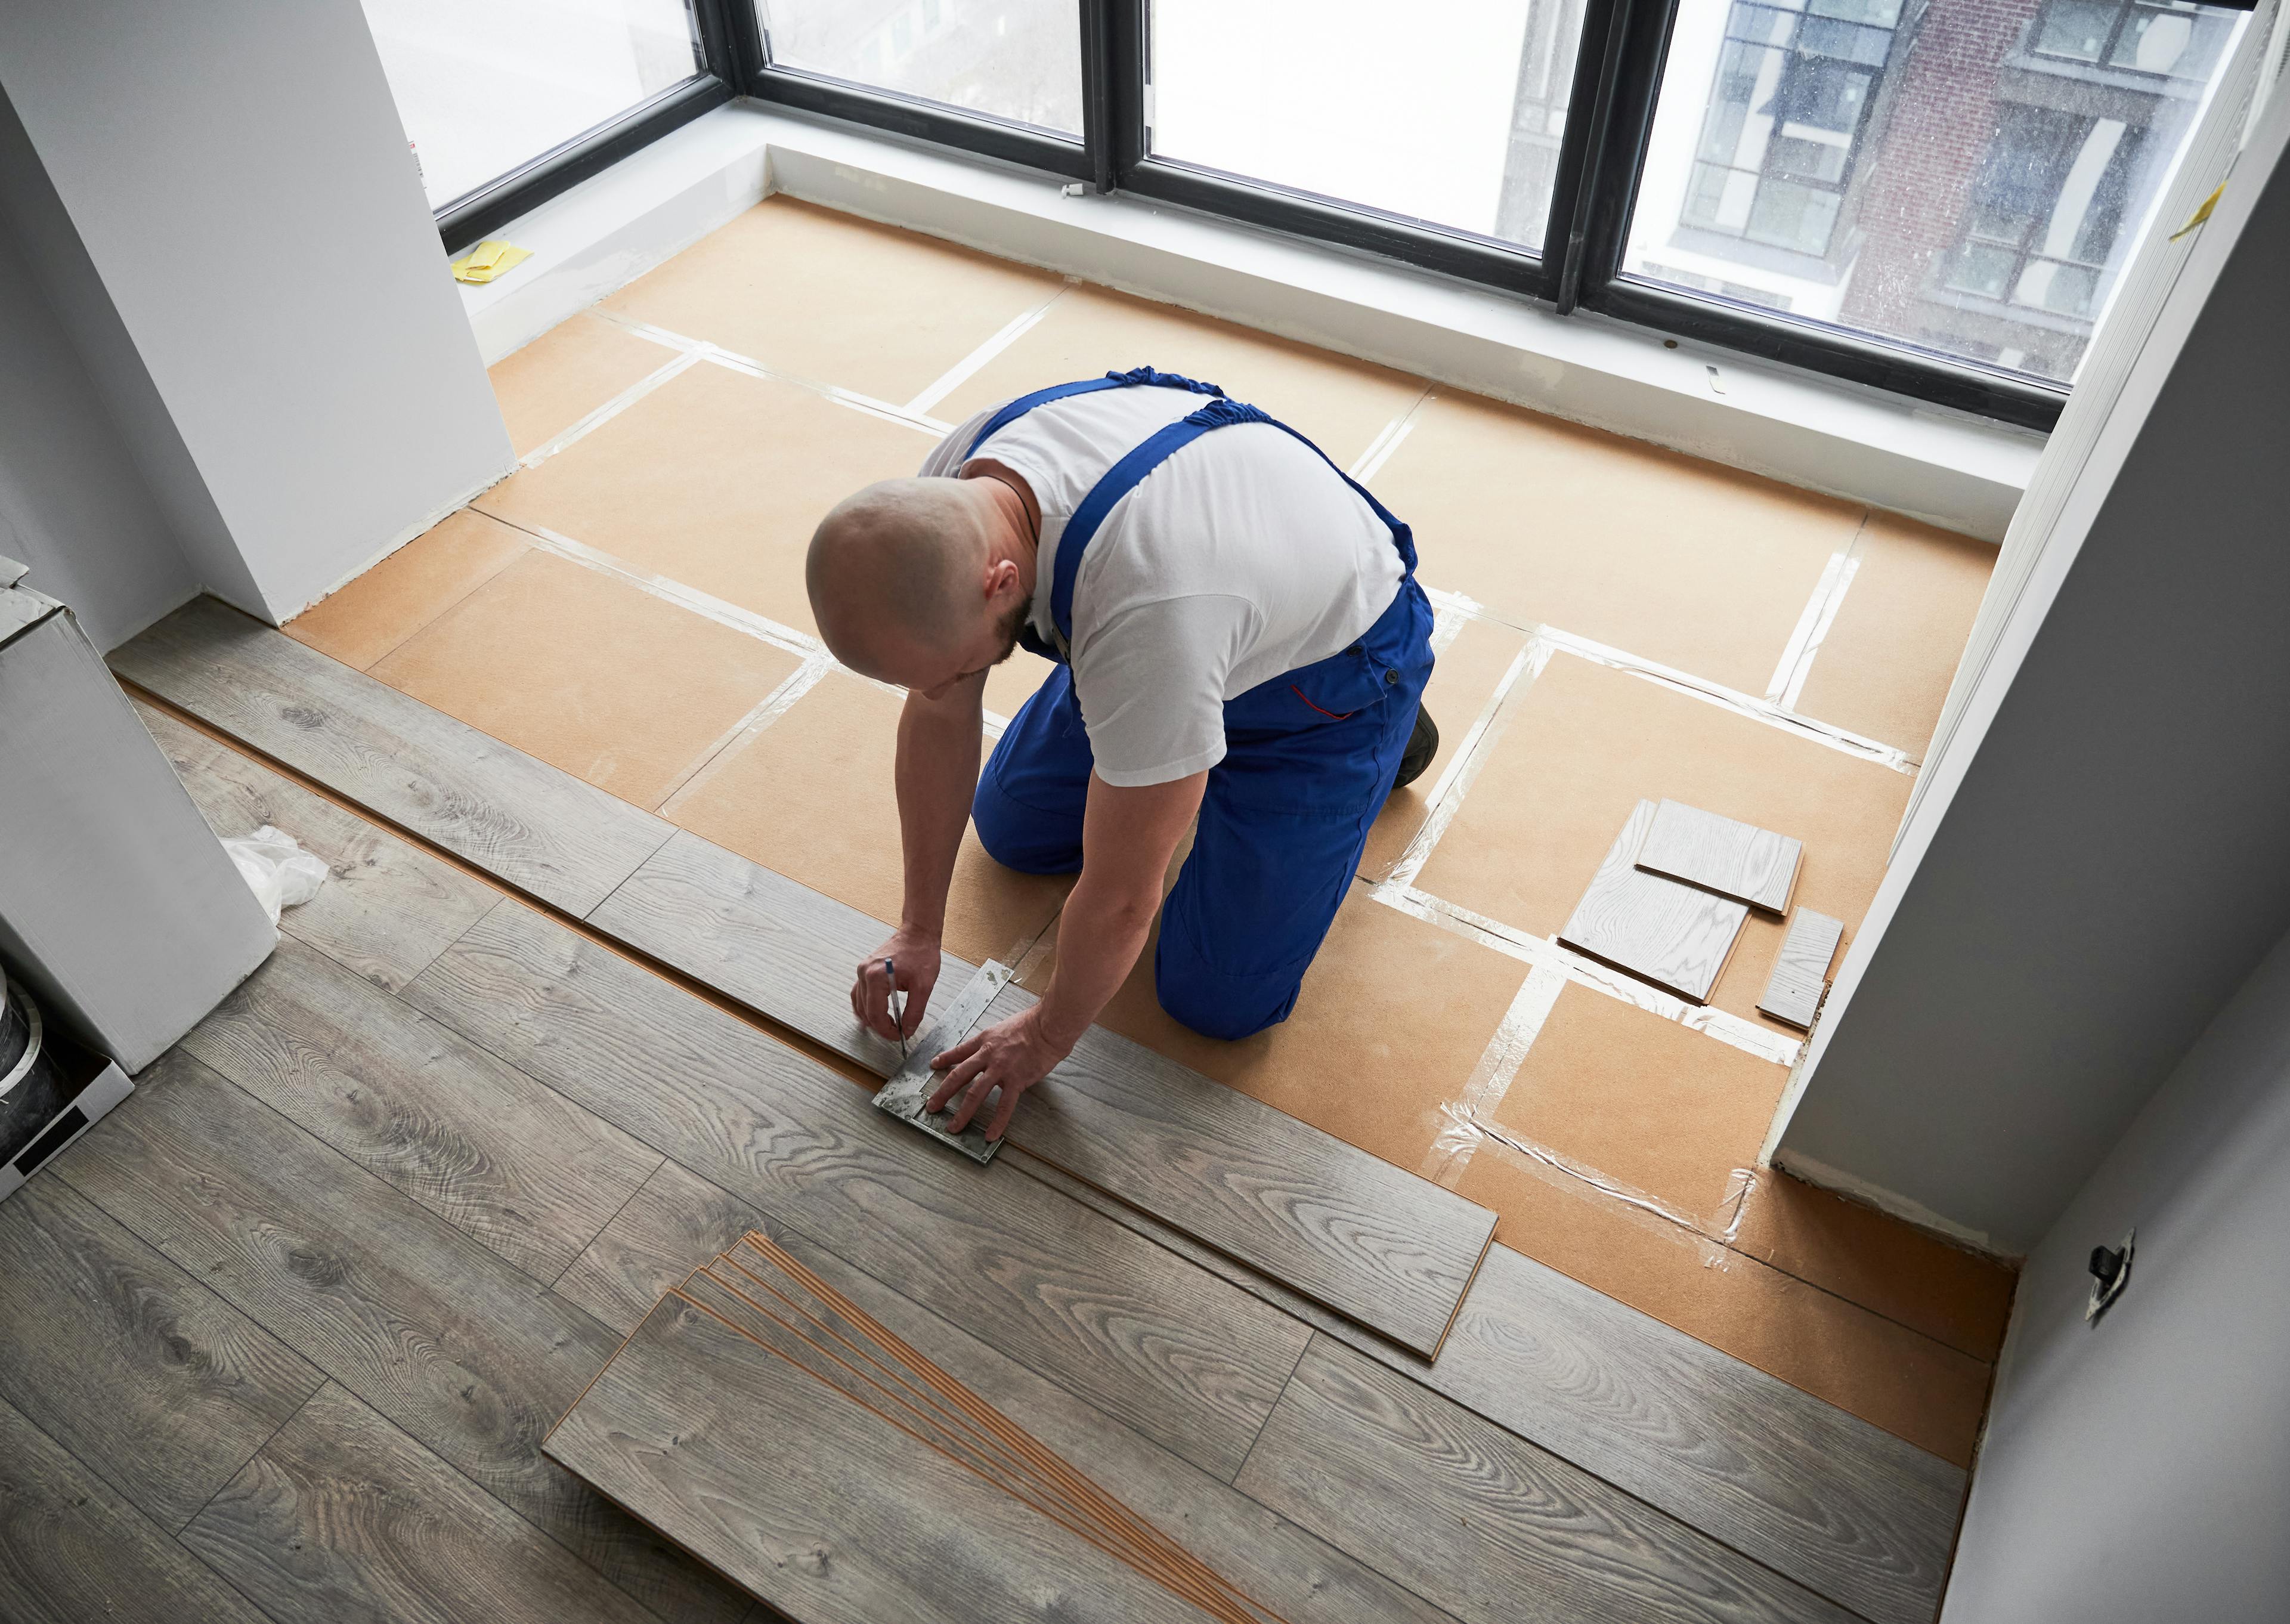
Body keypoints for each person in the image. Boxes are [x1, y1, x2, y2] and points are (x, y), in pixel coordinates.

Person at [806, 367, 1435, 1142]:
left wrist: (1043, 1038)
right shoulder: (946, 496)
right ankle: (1177, 740)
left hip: (1331, 676)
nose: (942, 689)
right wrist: (917, 930)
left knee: (1218, 1000)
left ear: (1002, 583)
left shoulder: (1149, 610)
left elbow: (1125, 897)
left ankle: (1384, 732)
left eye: (955, 669)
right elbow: (939, 712)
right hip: (1192, 615)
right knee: (1011, 829)